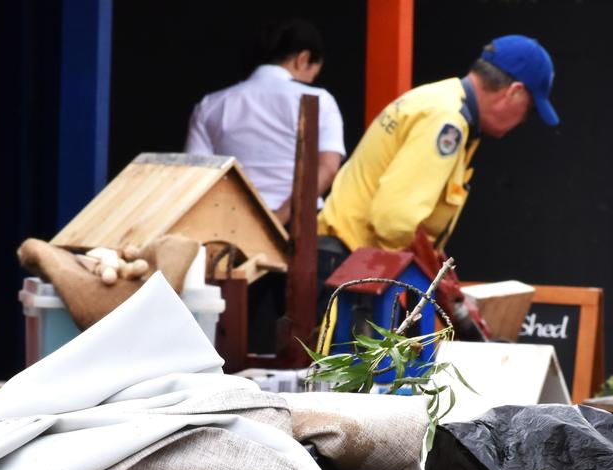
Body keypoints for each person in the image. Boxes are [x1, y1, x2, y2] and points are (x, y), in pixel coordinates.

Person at [316, 34, 557, 334]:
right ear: (514, 92)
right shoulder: (447, 120)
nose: (523, 121)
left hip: (352, 267)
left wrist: (438, 270)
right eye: (530, 109)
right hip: (349, 273)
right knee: (356, 380)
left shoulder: (446, 106)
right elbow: (394, 220)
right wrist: (437, 280)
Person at [185, 19, 345, 225]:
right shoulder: (320, 99)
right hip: (303, 227)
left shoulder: (212, 104)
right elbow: (328, 167)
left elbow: (197, 173)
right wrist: (278, 221)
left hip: (231, 225)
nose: (311, 81)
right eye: (313, 73)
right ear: (303, 59)